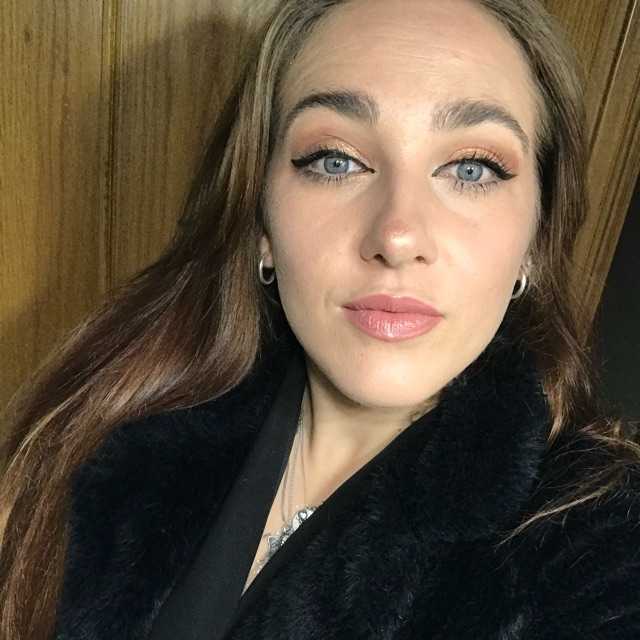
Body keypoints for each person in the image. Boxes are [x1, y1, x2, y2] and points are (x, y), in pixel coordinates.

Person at [1, 0, 639, 638]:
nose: (396, 236)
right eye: (336, 160)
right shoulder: (104, 422)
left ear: (534, 240)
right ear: (261, 222)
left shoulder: (595, 546)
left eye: (471, 169)